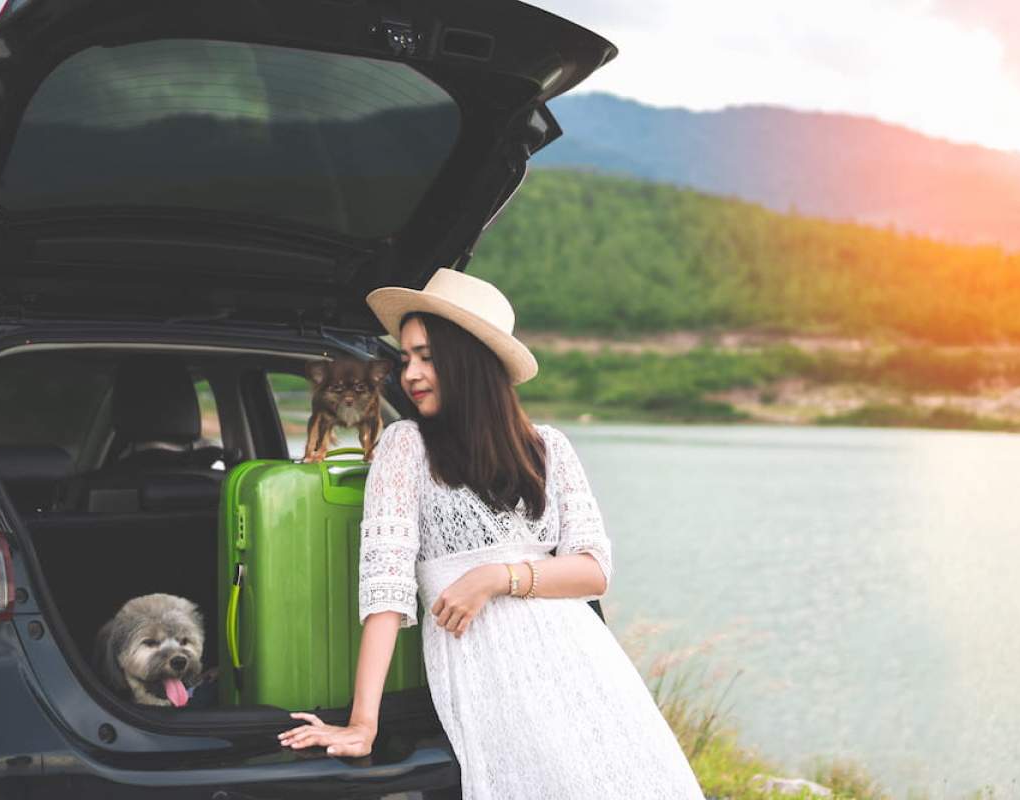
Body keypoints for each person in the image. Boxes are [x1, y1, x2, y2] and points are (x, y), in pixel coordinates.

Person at [278, 269, 705, 799]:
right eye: (406, 358)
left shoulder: (550, 447)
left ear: (471, 359)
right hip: (489, 669)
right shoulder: (406, 445)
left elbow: (594, 570)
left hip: (583, 662)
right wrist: (364, 723)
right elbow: (385, 589)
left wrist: (495, 577)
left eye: (428, 356)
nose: (409, 373)